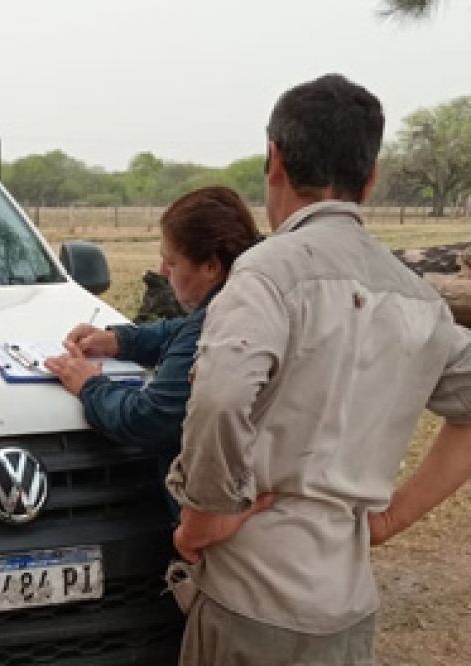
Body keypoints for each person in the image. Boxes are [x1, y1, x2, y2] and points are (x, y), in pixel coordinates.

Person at [166, 73, 471, 665]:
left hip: (248, 598)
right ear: (372, 177)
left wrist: (202, 520)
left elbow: (221, 399)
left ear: (274, 158)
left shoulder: (264, 275)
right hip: (348, 608)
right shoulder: (416, 297)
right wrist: (389, 520)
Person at [44, 186, 261, 511]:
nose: (162, 272)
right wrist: (122, 340)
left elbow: (147, 418)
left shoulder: (218, 326)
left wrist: (91, 385)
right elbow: (183, 330)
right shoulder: (253, 296)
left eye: (171, 262)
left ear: (211, 267)